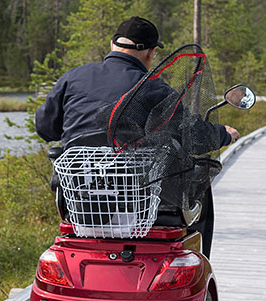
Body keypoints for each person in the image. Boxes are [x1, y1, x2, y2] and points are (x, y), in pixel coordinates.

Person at [35, 16, 239, 258]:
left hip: (80, 201)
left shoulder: (74, 77)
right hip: (137, 204)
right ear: (151, 53)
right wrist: (223, 134)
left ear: (112, 45)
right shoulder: (153, 87)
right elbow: (192, 135)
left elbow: (45, 129)